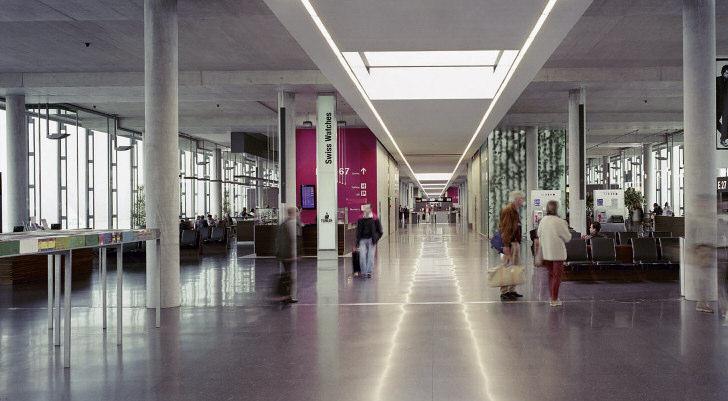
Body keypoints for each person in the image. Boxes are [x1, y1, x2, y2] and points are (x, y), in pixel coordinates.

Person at [537, 200, 572, 307]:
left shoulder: (543, 220)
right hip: (557, 253)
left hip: (546, 252)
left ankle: (552, 296)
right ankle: (554, 299)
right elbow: (567, 237)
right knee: (557, 276)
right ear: (557, 209)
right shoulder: (560, 221)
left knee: (551, 275)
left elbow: (538, 234)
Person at [498, 190, 525, 301]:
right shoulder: (508, 210)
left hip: (515, 242)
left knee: (515, 267)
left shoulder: (515, 210)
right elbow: (505, 228)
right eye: (521, 199)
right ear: (516, 200)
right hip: (510, 243)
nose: (523, 201)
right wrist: (506, 245)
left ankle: (512, 290)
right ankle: (504, 291)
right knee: (507, 267)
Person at [274, 207, 299, 303]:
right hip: (286, 256)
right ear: (292, 213)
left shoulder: (289, 224)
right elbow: (283, 242)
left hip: (287, 255)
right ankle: (285, 296)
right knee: (288, 276)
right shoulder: (286, 225)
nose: (298, 215)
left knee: (288, 276)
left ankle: (286, 296)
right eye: (296, 213)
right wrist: (288, 256)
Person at [356, 206, 383, 278]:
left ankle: (368, 272)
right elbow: (358, 231)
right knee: (362, 256)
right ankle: (363, 272)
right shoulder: (360, 218)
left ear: (370, 209)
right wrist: (357, 242)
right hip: (362, 240)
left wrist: (375, 238)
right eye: (365, 209)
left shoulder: (375, 218)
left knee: (370, 256)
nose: (366, 210)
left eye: (368, 209)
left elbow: (380, 231)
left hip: (371, 240)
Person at [717, 65, 728, 147]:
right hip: (717, 104)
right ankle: (726, 135)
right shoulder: (717, 80)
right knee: (714, 121)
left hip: (726, 105)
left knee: (725, 122)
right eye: (727, 73)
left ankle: (723, 139)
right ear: (723, 72)